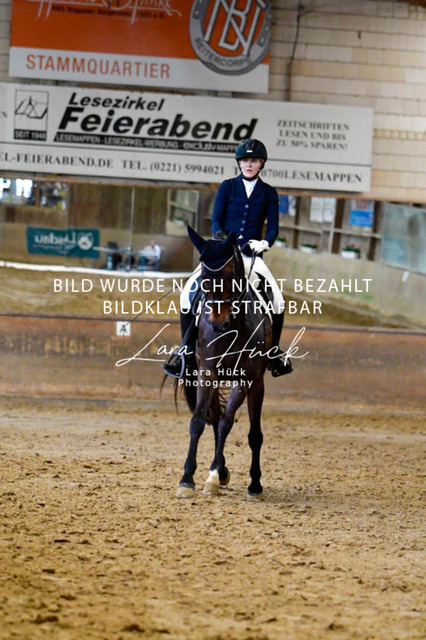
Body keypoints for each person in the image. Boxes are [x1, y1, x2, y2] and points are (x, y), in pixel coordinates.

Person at [163, 138, 292, 378]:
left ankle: (274, 354)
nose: (249, 164)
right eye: (245, 160)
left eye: (254, 161)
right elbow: (216, 220)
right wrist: (221, 239)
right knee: (187, 293)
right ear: (239, 163)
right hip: (223, 254)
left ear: (261, 164)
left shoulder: (268, 192)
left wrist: (264, 243)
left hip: (251, 256)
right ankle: (186, 353)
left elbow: (273, 228)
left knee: (277, 300)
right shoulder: (227, 187)